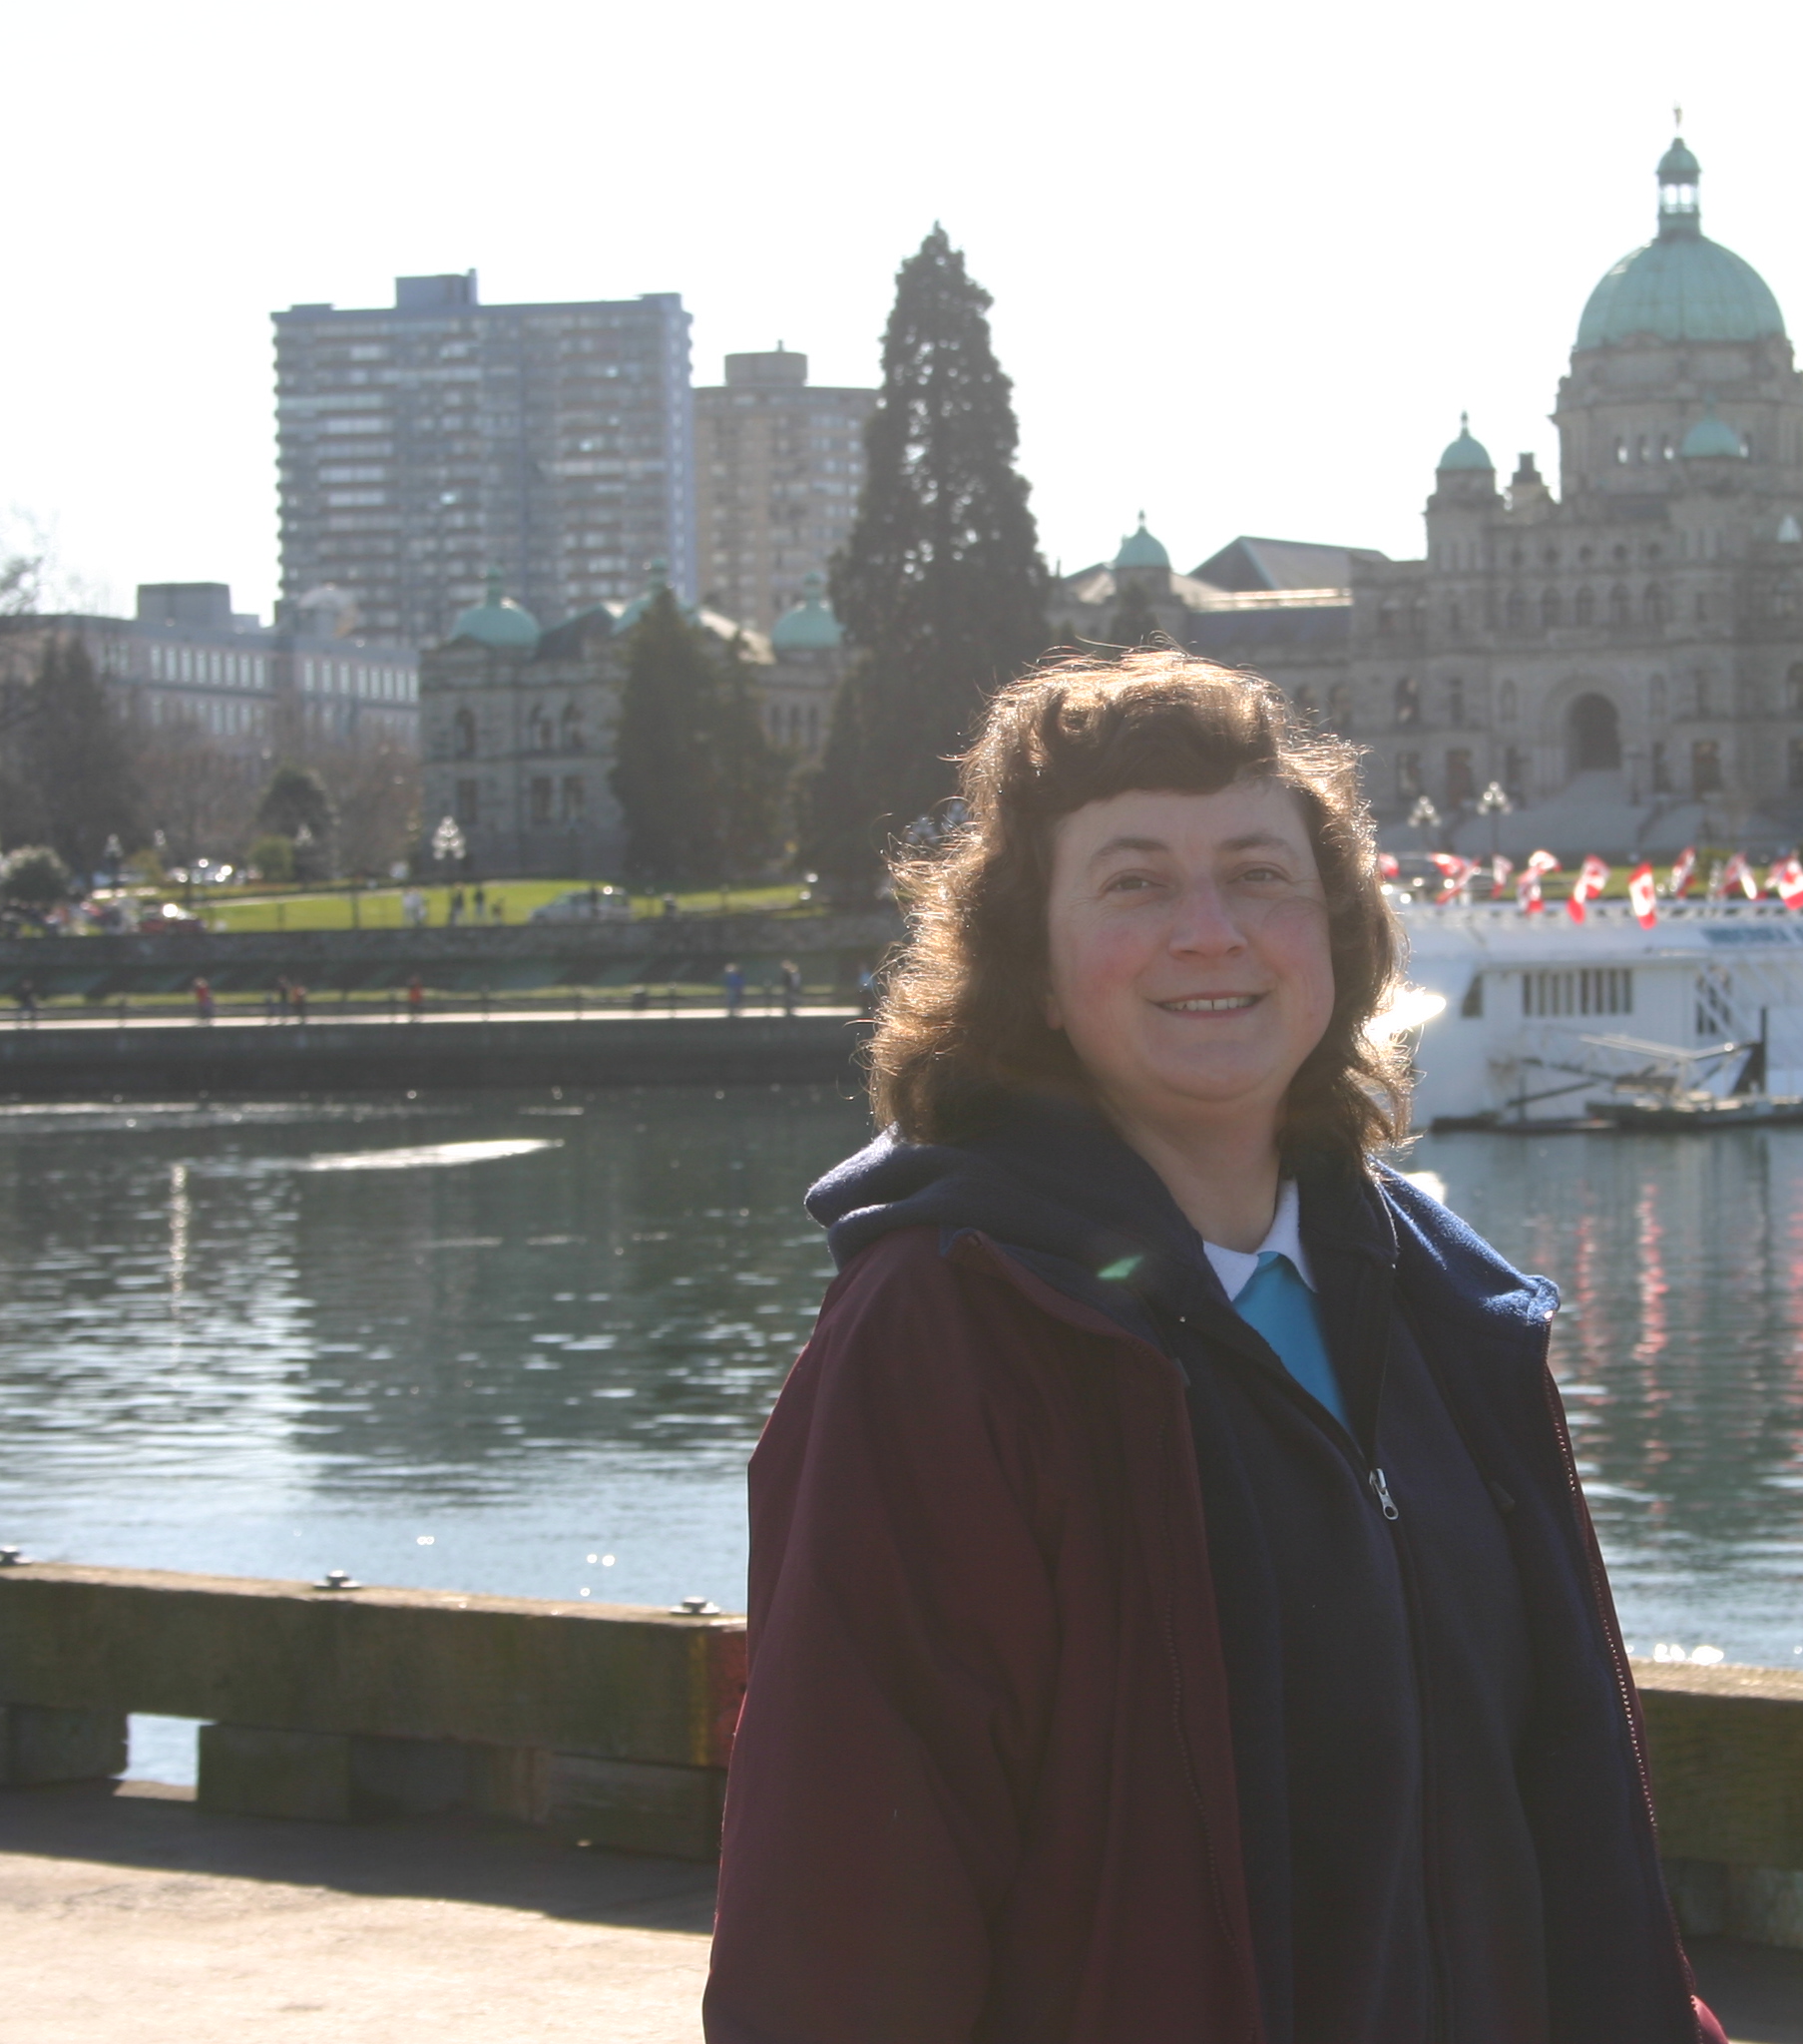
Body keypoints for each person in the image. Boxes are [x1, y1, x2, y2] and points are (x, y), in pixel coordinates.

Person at [708, 652, 1723, 2044]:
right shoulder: (947, 1330)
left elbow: (1563, 1820)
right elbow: (843, 1909)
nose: (1211, 931)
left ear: (1335, 940)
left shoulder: (1446, 1310)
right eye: (1135, 883)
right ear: (1034, 973)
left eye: (1260, 875)